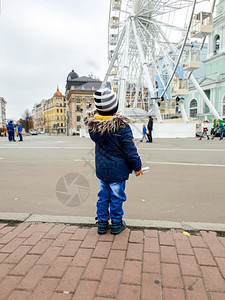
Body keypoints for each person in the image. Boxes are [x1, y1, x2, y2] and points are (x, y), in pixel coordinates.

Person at [84, 88, 143, 235]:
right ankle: (116, 224)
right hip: (118, 171)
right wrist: (138, 167)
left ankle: (102, 223)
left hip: (102, 170)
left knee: (103, 195)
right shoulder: (122, 127)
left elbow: (105, 121)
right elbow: (130, 151)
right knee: (117, 197)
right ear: (115, 108)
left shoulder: (94, 127)